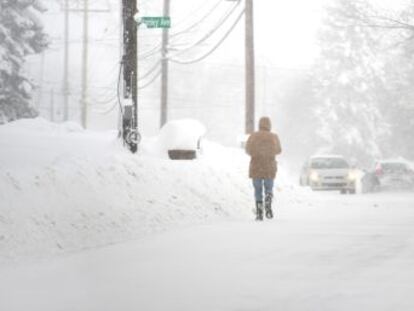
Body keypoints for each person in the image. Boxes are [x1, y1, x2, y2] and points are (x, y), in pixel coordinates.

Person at [245, 117, 282, 221]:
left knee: (257, 190)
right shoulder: (274, 137)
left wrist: (257, 153)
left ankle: (259, 212)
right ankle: (268, 202)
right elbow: (279, 150)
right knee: (269, 188)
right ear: (269, 125)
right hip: (269, 167)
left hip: (256, 167)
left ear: (259, 124)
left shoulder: (253, 136)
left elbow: (247, 150)